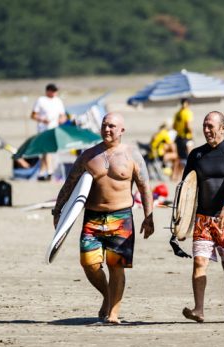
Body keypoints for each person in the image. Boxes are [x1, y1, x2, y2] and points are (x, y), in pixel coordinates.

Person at [52, 112, 154, 324]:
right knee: (89, 264)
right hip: (93, 217)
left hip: (121, 217)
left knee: (116, 267)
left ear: (122, 130)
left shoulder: (133, 155)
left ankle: (113, 314)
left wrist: (148, 217)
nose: (107, 129)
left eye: (112, 126)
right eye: (104, 126)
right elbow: (70, 184)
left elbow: (144, 187)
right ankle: (108, 296)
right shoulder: (88, 156)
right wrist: (58, 210)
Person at [179, 111, 224, 323]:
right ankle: (199, 309)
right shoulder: (196, 155)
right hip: (203, 219)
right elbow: (186, 190)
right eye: (205, 126)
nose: (207, 130)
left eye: (211, 126)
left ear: (223, 128)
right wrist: (181, 221)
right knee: (199, 262)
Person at [31, 83, 67, 180]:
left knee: (46, 151)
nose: (55, 93)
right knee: (46, 150)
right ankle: (49, 171)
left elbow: (63, 115)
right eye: (53, 91)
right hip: (43, 129)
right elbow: (33, 115)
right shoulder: (41, 100)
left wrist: (62, 120)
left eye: (56, 91)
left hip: (54, 129)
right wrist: (42, 120)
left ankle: (42, 173)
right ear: (48, 91)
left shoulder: (58, 101)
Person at [172, 98, 194, 181]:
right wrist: (191, 133)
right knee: (190, 156)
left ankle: (176, 176)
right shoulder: (188, 112)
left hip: (179, 138)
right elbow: (188, 125)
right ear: (188, 104)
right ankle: (189, 175)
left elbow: (174, 126)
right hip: (187, 137)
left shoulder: (177, 113)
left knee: (179, 158)